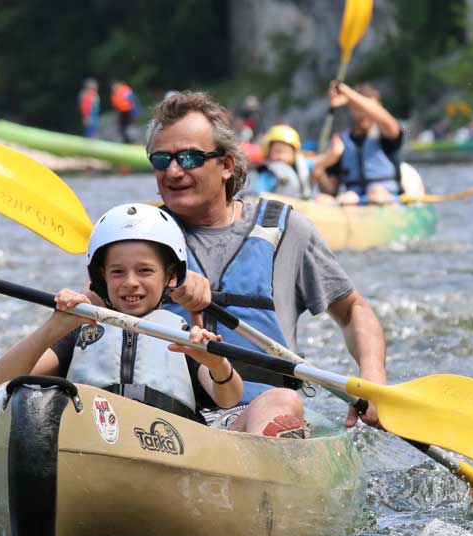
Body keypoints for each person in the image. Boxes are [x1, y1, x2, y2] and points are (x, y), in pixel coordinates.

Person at [144, 91, 386, 437]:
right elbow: (93, 313)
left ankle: (276, 442)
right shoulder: (138, 234)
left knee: (280, 403)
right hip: (159, 417)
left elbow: (352, 311)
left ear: (226, 165)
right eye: (161, 160)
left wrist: (372, 376)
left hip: (257, 412)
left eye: (189, 158)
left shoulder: (287, 231)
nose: (172, 171)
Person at [0, 203, 243, 420]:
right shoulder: (81, 332)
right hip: (89, 436)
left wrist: (217, 363)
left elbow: (228, 399)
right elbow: (2, 379)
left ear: (170, 276)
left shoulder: (182, 338)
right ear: (102, 278)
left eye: (145, 271)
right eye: (117, 272)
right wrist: (52, 328)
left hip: (166, 440)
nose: (130, 282)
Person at [311, 81, 403, 205]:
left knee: (376, 192)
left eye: (365, 108)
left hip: (387, 198)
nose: (363, 113)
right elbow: (330, 190)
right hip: (353, 201)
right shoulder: (341, 142)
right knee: (322, 199)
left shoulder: (386, 133)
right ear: (351, 109)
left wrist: (346, 92)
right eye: (357, 109)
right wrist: (320, 168)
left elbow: (384, 118)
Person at [251, 124, 314, 199]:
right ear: (268, 151)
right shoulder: (269, 173)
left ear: (293, 154)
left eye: (286, 151)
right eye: (277, 151)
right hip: (277, 205)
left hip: (298, 204)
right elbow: (258, 195)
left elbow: (320, 161)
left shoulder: (302, 166)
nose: (281, 156)